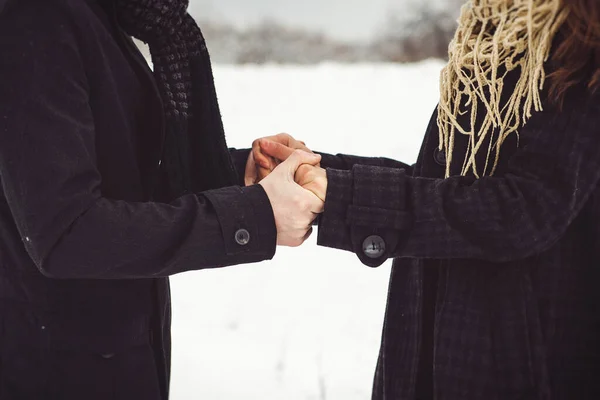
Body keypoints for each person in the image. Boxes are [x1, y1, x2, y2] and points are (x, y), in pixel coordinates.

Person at [253, 0, 600, 398]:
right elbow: (448, 182)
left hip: (518, 361)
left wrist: (343, 194)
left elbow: (524, 208)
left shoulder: (582, 46)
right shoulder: (493, 39)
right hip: (435, 344)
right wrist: (318, 172)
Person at [0, 0, 323, 398]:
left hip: (115, 358)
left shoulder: (101, 17)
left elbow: (118, 171)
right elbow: (67, 231)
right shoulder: (38, 16)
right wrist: (255, 214)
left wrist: (242, 174)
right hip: (52, 369)